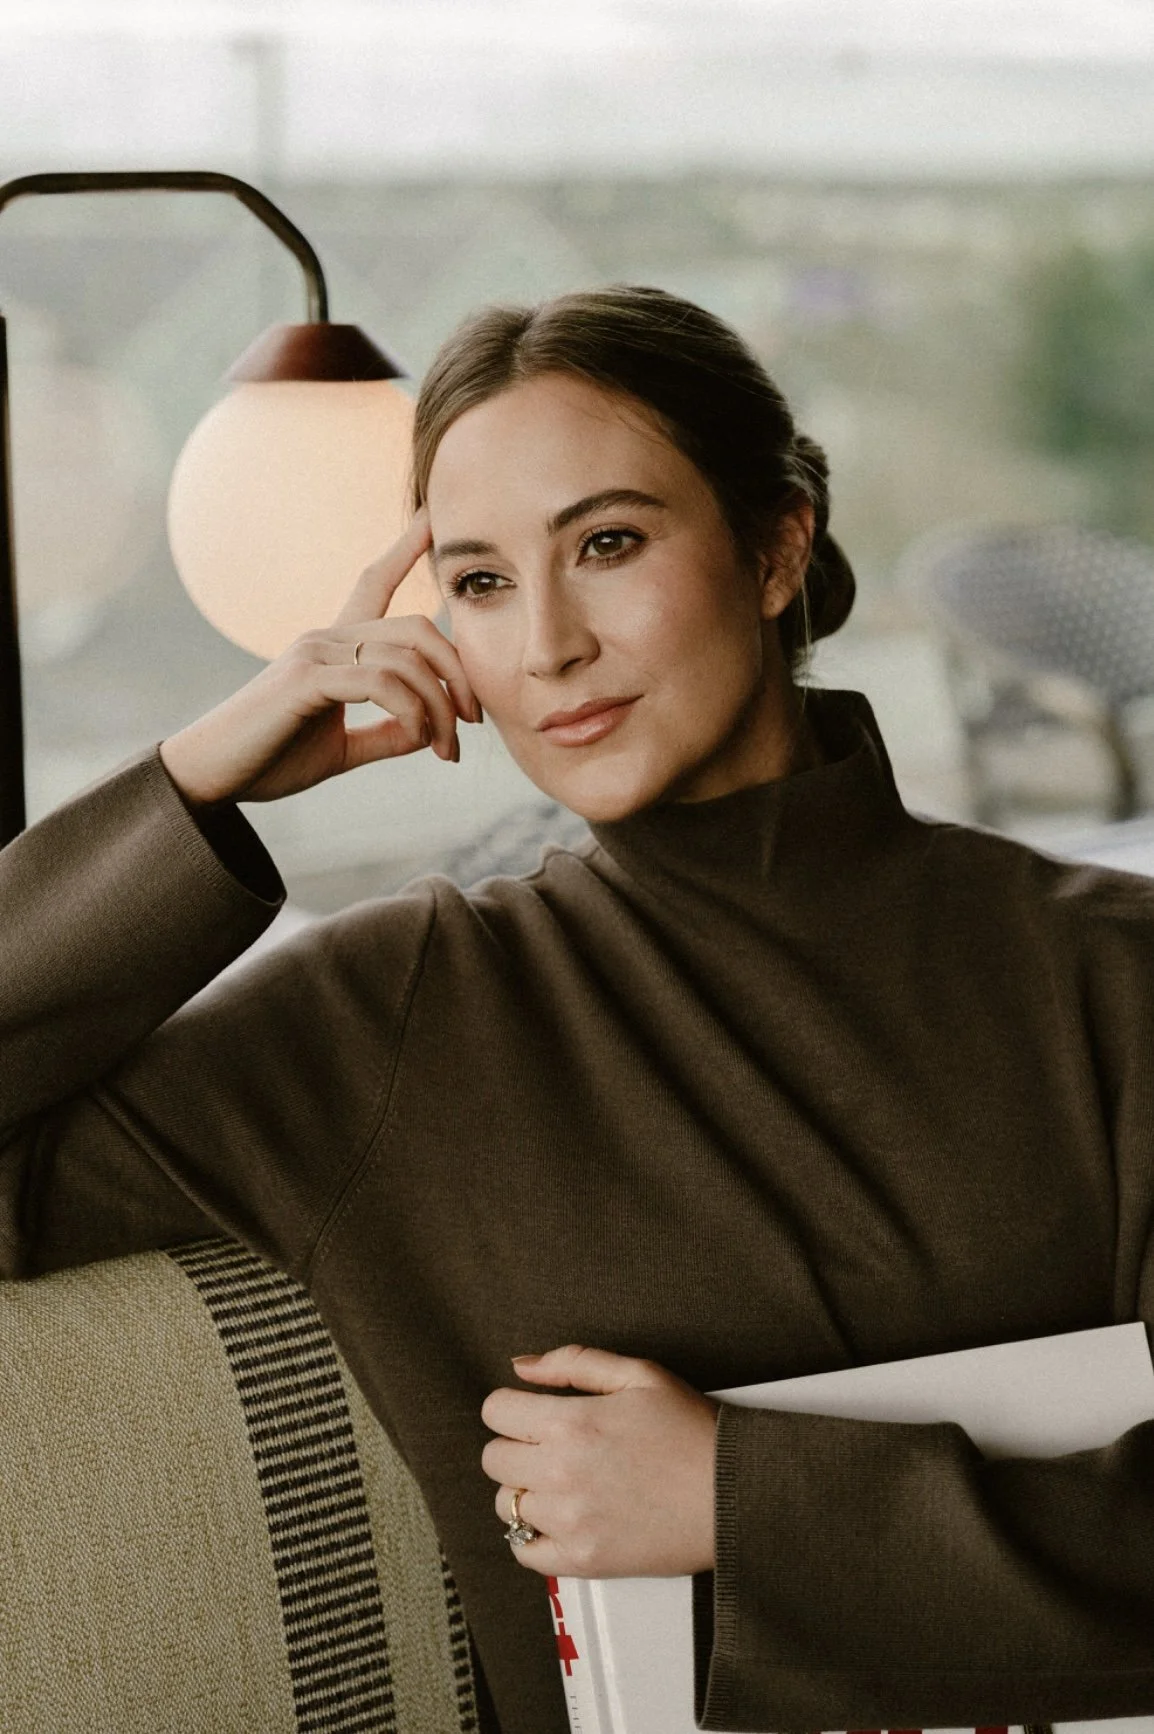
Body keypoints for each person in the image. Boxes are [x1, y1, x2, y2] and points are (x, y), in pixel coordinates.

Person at [3, 282, 1154, 1734]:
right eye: (478, 582)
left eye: (605, 543)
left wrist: (731, 1499)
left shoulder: (1114, 975)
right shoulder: (396, 1013)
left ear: (775, 542)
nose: (544, 643)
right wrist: (195, 786)